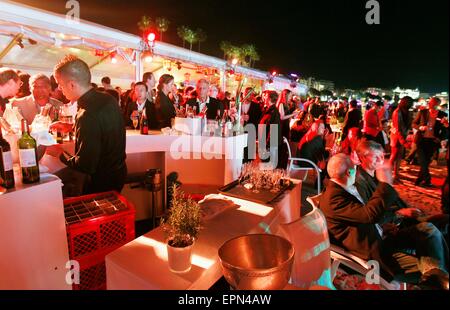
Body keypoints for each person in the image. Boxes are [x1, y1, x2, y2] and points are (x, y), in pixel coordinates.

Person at [320, 153, 449, 288]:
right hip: (377, 253)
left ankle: (436, 276)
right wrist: (386, 183)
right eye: (355, 169)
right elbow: (369, 215)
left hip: (381, 235)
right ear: (348, 172)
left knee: (428, 229)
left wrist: (381, 226)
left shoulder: (341, 189)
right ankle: (437, 278)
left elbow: (360, 218)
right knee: (438, 262)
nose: (356, 172)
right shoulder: (333, 198)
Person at [50, 55, 127, 196]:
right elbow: (101, 128)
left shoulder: (87, 114)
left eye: (60, 85)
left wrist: (60, 154)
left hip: (101, 183)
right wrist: (72, 127)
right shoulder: (108, 98)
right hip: (119, 173)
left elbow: (85, 165)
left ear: (72, 84)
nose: (60, 89)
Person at [412, 97, 449, 187]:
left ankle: (419, 180)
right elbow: (414, 123)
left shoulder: (442, 114)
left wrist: (440, 138)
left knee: (426, 161)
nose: (430, 104)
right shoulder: (423, 112)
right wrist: (419, 127)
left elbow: (445, 130)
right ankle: (427, 180)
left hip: (433, 141)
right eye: (430, 102)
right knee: (422, 160)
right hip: (421, 139)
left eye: (432, 103)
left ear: (437, 104)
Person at [389, 96, 413, 182]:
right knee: (394, 156)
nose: (412, 104)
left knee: (399, 157)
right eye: (410, 102)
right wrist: (403, 141)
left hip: (402, 136)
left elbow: (408, 125)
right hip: (396, 136)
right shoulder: (397, 112)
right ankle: (387, 173)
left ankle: (396, 174)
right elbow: (398, 128)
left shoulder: (406, 112)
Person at [258, 91, 282, 169]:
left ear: (270, 99)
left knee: (268, 168)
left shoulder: (274, 112)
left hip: (269, 146)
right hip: (265, 144)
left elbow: (274, 131)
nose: (264, 98)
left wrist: (268, 146)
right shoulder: (268, 110)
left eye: (266, 96)